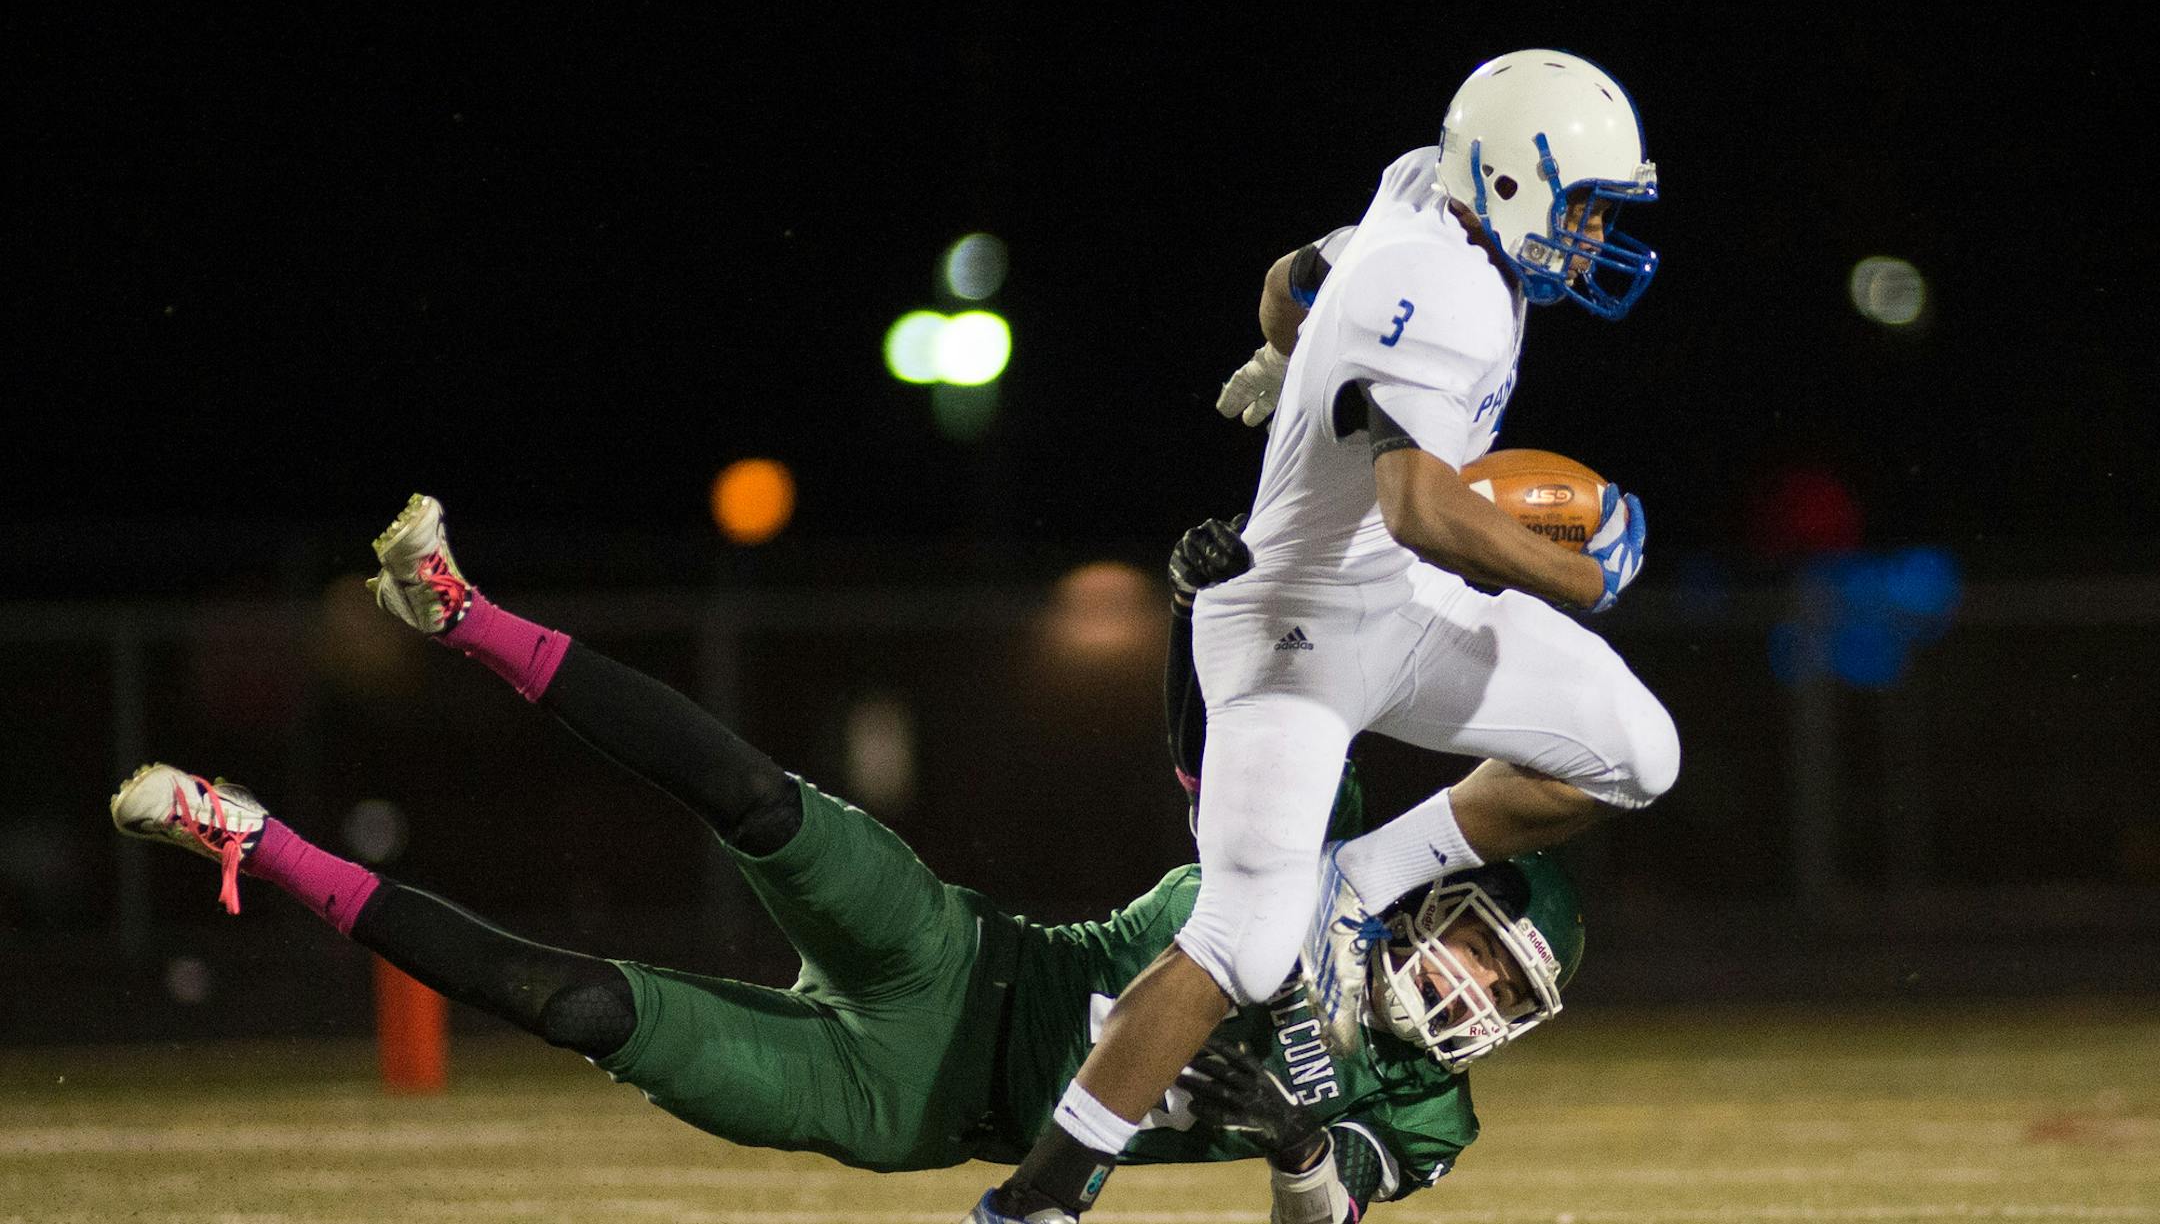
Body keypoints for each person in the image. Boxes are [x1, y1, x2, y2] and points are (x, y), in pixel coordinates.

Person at [108, 494, 1585, 1221]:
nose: (1462, 987)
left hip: (903, 1105)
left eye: (1496, 986)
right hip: (960, 953)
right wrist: (1215, 610)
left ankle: (251, 836)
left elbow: (1327, 1213)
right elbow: (1220, 752)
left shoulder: (1430, 1113)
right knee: (749, 794)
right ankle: (456, 605)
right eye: (1472, 941)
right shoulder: (1318, 876)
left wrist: (1298, 1137)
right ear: (1441, 898)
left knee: (580, 1008)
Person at [979, 49, 1679, 1223]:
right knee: (1246, 946)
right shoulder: (1450, 289)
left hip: (1395, 600)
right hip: (1293, 616)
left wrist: (1287, 347)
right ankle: (1034, 1203)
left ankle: (1360, 886)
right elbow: (1424, 508)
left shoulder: (1421, 194)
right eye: (1584, 204)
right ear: (1508, 182)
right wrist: (1580, 573)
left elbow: (1286, 279)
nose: (1593, 232)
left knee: (1636, 754)